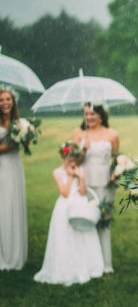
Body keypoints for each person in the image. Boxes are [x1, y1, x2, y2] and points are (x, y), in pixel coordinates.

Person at [33, 142, 104, 285]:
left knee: (82, 235)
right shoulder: (57, 172)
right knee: (65, 235)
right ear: (62, 157)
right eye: (68, 157)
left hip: (80, 204)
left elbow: (84, 192)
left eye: (73, 157)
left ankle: (86, 266)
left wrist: (80, 177)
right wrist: (71, 176)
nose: (70, 160)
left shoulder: (80, 169)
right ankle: (65, 268)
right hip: (64, 208)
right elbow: (64, 193)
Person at [73, 103, 119, 273]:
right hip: (83, 182)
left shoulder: (112, 134)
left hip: (105, 182)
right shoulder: (79, 134)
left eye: (92, 114)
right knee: (84, 219)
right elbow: (72, 163)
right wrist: (82, 150)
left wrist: (117, 171)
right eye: (86, 114)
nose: (89, 118)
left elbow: (115, 160)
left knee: (103, 221)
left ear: (101, 115)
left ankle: (106, 264)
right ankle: (86, 263)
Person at [0, 87, 28, 271]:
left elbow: (24, 143)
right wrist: (9, 145)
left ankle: (15, 253)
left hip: (14, 168)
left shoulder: (21, 124)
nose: (5, 103)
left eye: (8, 99)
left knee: (13, 206)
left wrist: (24, 139)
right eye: (1, 100)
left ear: (13, 101)